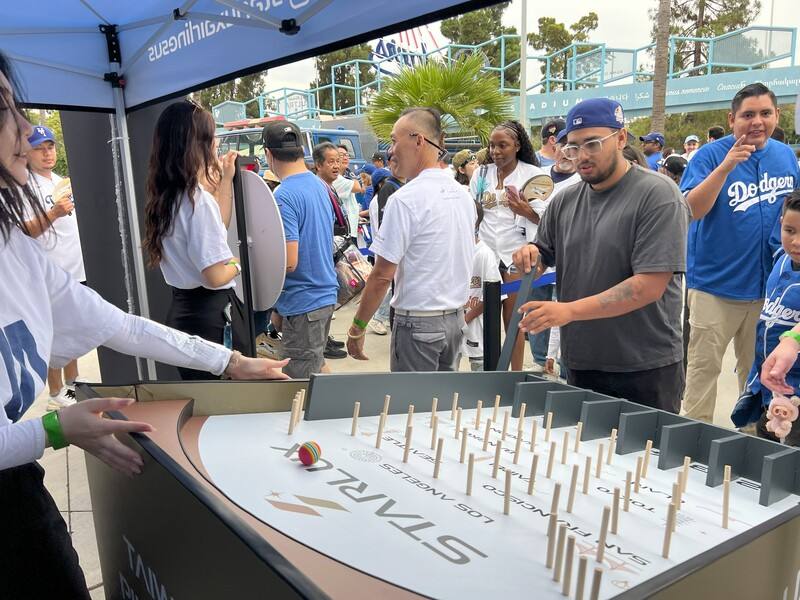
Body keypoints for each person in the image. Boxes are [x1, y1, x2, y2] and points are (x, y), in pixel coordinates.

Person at [0, 52, 288, 599]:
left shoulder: (16, 245)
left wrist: (231, 361)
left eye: (14, 103)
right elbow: (213, 269)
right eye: (1, 107)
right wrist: (57, 429)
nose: (21, 125)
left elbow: (120, 325)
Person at [512, 97, 691, 412]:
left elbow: (648, 286)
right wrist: (531, 255)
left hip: (645, 367)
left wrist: (567, 311)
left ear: (621, 138)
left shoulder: (659, 196)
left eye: (592, 144)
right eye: (572, 146)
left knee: (644, 459)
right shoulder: (564, 201)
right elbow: (544, 253)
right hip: (582, 363)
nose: (581, 156)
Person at [681, 83, 800, 423]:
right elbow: (692, 209)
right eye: (748, 115)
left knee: (761, 372)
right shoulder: (709, 155)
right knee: (704, 370)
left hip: (770, 291)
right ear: (732, 119)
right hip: (716, 287)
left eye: (765, 113)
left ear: (777, 115)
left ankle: (752, 440)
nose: (757, 122)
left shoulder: (784, 156)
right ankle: (693, 438)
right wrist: (725, 168)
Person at [346, 107, 475, 371]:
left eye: (394, 140)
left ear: (418, 140)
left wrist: (358, 327)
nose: (391, 150)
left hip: (417, 325)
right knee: (440, 408)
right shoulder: (463, 195)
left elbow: (382, 275)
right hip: (455, 322)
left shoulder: (404, 200)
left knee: (410, 410)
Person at [143, 100, 252, 380]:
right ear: (198, 143)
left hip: (183, 315)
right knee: (230, 410)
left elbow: (217, 229)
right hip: (215, 320)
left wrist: (224, 183)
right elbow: (215, 275)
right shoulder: (196, 201)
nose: (216, 143)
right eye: (212, 136)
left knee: (204, 408)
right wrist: (237, 263)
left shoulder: (167, 197)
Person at [265, 122, 339, 378]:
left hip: (303, 303)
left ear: (268, 154)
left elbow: (289, 261)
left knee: (299, 384)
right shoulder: (320, 185)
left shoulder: (284, 195)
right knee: (315, 365)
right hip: (323, 295)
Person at [470, 120, 545, 371]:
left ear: (517, 145)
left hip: (517, 256)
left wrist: (524, 210)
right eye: (492, 145)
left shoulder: (533, 175)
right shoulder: (481, 174)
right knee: (483, 318)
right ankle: (488, 373)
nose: (495, 151)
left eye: (502, 145)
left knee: (513, 321)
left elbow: (545, 220)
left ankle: (513, 375)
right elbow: (473, 211)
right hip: (486, 254)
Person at [22, 125, 88, 409]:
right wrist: (53, 213)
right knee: (56, 334)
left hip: (75, 271)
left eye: (50, 146)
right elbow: (24, 231)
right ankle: (55, 392)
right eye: (39, 147)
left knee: (72, 331)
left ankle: (73, 386)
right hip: (50, 273)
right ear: (27, 152)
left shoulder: (61, 181)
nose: (47, 152)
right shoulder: (25, 186)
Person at [732, 190, 800, 446]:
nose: (796, 242)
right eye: (790, 230)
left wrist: (792, 340)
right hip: (766, 383)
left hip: (793, 391)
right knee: (765, 441)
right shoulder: (781, 261)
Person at [459, 202, 502, 371]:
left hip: (476, 330)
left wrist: (464, 320)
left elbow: (492, 297)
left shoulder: (484, 254)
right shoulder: (451, 250)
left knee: (480, 375)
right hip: (450, 327)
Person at [366, 162, 402, 335]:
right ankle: (379, 317)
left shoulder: (388, 192)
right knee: (390, 285)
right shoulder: (388, 190)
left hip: (386, 249)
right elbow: (384, 226)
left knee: (392, 286)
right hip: (387, 250)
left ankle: (381, 316)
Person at [332, 145, 364, 240]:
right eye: (341, 155)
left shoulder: (344, 177)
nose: (345, 158)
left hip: (350, 230)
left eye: (347, 155)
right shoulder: (336, 179)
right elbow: (358, 187)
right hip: (342, 233)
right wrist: (351, 174)